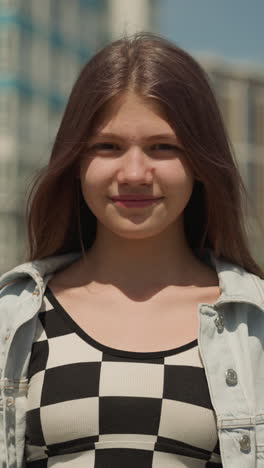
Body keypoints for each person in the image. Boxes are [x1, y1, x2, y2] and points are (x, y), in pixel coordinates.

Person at [0, 31, 264, 468]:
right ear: (75, 161)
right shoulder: (14, 317)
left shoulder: (253, 321)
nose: (135, 172)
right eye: (108, 147)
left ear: (200, 161)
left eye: (163, 147)